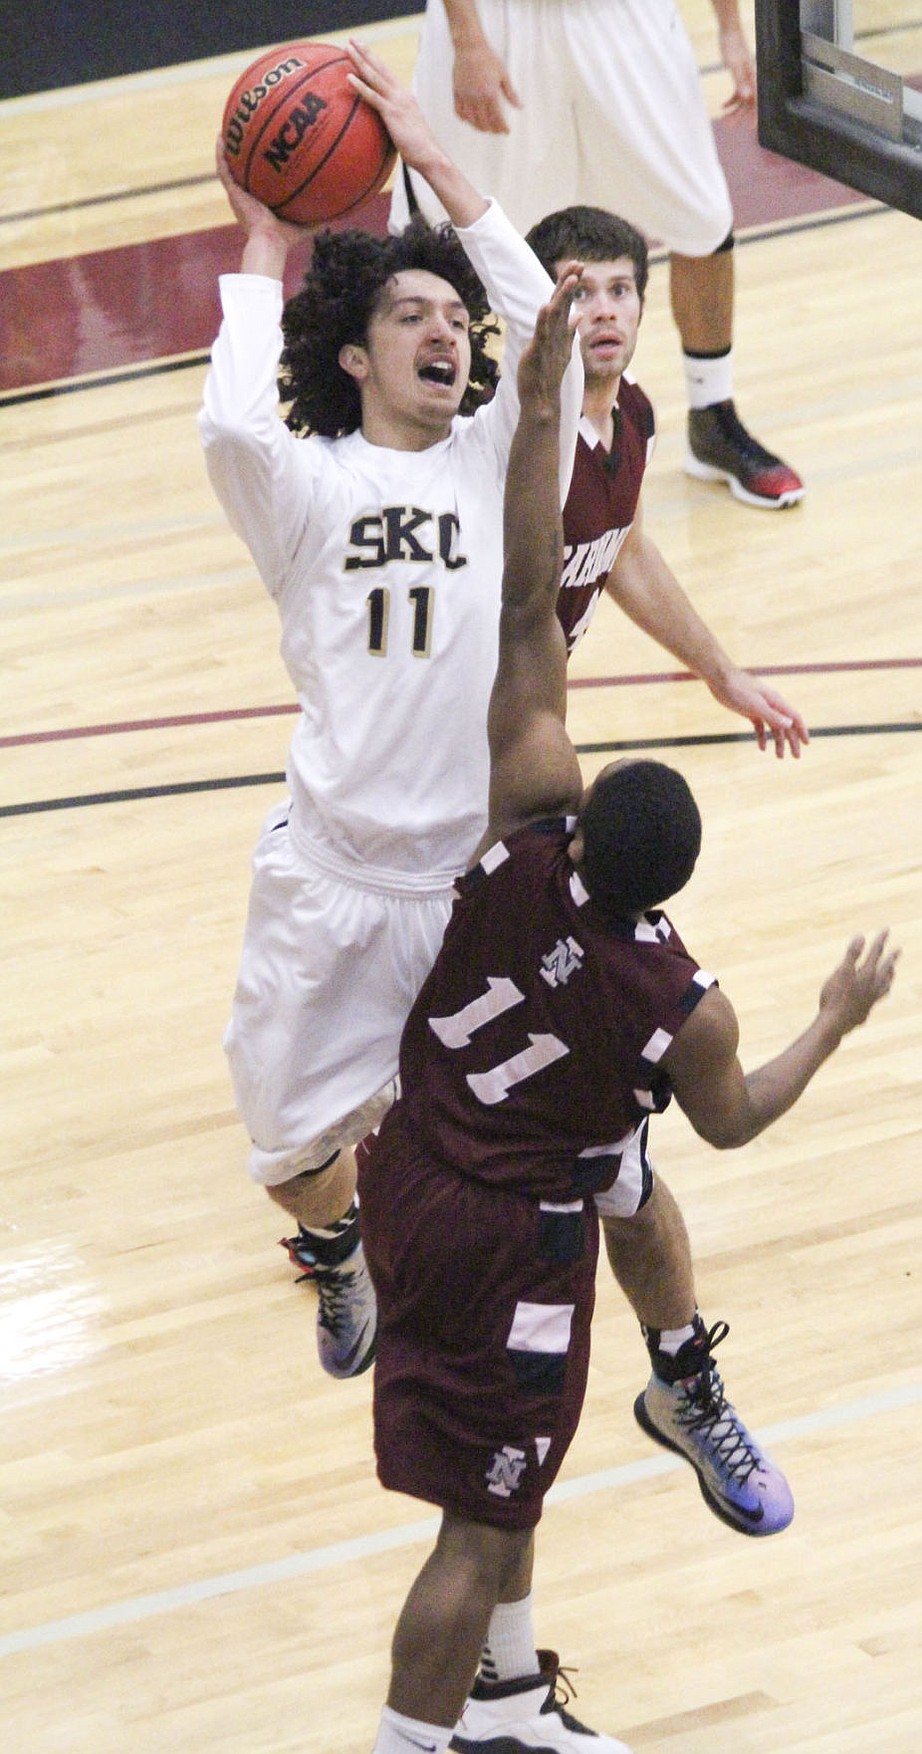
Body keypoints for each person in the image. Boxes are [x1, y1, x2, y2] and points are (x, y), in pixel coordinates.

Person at [357, 268, 897, 1754]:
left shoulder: (526, 827)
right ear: (675, 888)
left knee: (506, 1479)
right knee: (477, 1521)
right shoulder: (670, 998)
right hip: (503, 1233)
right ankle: (423, 1740)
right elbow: (735, 1114)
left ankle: (517, 1697)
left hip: (408, 1169)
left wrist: (529, 407)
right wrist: (835, 1019)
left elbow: (530, 600)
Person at [199, 40, 585, 1381]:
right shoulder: (304, 488)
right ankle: (330, 1244)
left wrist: (431, 157)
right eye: (409, 315)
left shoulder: (493, 461)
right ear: (355, 355)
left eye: (448, 317)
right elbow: (235, 428)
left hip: (470, 883)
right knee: (291, 1152)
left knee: (533, 1132)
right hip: (330, 878)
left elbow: (548, 336)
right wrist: (261, 242)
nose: (441, 331)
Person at [392, 0, 806, 509]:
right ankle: (423, 448)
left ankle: (712, 417)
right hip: (498, 20)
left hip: (625, 18)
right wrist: (467, 38)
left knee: (702, 218)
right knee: (441, 239)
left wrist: (732, 31)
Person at [525, 201, 808, 750]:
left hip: (532, 706)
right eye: (580, 292)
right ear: (545, 308)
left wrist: (722, 675)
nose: (604, 311)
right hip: (458, 703)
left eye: (620, 291)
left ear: (641, 307)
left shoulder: (634, 415)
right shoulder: (522, 433)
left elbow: (625, 554)